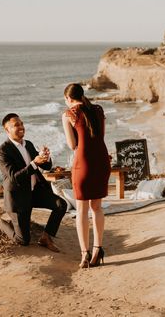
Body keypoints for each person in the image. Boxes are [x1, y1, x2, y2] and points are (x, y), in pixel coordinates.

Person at [0, 113, 67, 252]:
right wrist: (34, 163)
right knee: (23, 240)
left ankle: (46, 237)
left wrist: (45, 158)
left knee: (61, 205)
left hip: (35, 193)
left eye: (21, 124)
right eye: (16, 125)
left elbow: (46, 167)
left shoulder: (28, 144)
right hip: (18, 198)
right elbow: (15, 177)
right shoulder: (2, 152)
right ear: (7, 130)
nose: (21, 127)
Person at [62, 83, 111, 268]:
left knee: (81, 210)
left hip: (83, 164)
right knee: (97, 208)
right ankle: (98, 250)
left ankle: (85, 254)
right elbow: (101, 136)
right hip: (101, 161)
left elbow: (72, 144)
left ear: (68, 99)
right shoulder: (98, 109)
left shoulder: (68, 114)